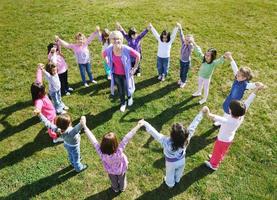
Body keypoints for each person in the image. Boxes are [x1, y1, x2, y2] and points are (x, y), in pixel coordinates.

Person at [202, 84, 264, 170]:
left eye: (230, 108)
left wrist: (208, 113)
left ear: (231, 111)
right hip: (228, 139)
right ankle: (216, 157)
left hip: (222, 139)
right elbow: (249, 101)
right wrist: (256, 89)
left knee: (218, 151)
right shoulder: (241, 115)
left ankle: (213, 165)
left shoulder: (229, 121)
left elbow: (217, 118)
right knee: (221, 151)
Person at [140, 109, 204, 188]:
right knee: (180, 171)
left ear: (172, 136)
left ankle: (170, 184)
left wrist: (145, 123)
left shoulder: (166, 141)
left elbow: (155, 133)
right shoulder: (186, 140)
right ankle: (177, 179)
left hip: (171, 163)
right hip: (182, 160)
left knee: (169, 174)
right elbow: (193, 126)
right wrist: (201, 114)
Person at [81, 116, 143, 192]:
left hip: (111, 171)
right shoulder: (119, 150)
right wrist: (138, 125)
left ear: (103, 144)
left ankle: (116, 189)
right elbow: (128, 137)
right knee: (122, 179)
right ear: (115, 144)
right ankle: (122, 188)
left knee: (113, 181)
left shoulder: (101, 153)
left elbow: (93, 140)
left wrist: (84, 126)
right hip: (121, 170)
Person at [214, 53, 262, 125]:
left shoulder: (245, 85)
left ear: (244, 78)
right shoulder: (237, 78)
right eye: (237, 74)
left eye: (238, 75)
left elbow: (252, 85)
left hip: (235, 103)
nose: (236, 75)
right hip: (229, 99)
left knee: (230, 113)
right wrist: (230, 58)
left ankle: (224, 122)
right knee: (226, 110)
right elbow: (234, 68)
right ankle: (222, 121)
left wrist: (257, 84)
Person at [102, 31, 140, 112]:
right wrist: (108, 62)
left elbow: (138, 55)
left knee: (127, 88)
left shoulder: (126, 48)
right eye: (114, 39)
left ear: (121, 39)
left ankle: (130, 97)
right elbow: (103, 54)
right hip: (116, 74)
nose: (116, 41)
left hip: (126, 74)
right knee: (120, 90)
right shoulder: (109, 49)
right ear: (111, 40)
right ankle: (123, 103)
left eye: (118, 39)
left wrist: (134, 68)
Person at [30, 64, 63, 143]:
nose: (45, 90)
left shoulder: (39, 88)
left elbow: (39, 79)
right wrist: (37, 110)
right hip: (49, 117)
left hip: (52, 113)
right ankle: (55, 138)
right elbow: (38, 106)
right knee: (51, 128)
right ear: (39, 93)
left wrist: (39, 69)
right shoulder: (39, 100)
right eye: (44, 90)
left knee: (54, 123)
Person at [191, 40, 229, 104]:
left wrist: (224, 56)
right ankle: (199, 92)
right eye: (206, 54)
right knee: (199, 84)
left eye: (208, 56)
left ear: (212, 57)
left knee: (206, 88)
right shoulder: (203, 58)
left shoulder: (213, 63)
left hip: (206, 78)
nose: (206, 56)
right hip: (200, 75)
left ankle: (204, 99)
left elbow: (219, 61)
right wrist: (194, 43)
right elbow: (199, 52)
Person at [176, 23, 194, 88]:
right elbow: (181, 36)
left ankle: (183, 82)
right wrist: (180, 28)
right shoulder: (183, 43)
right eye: (186, 39)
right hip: (181, 60)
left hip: (187, 62)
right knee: (181, 71)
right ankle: (181, 79)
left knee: (184, 72)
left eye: (188, 40)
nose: (186, 41)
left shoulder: (190, 46)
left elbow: (192, 47)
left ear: (190, 41)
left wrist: (190, 43)